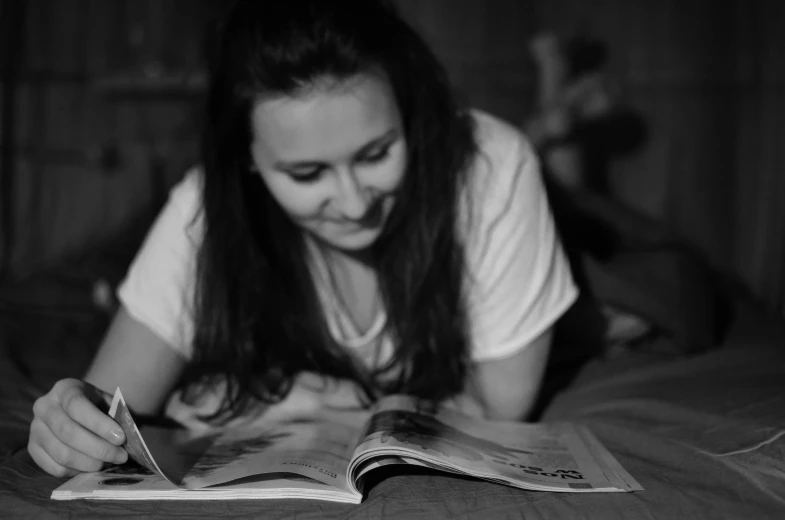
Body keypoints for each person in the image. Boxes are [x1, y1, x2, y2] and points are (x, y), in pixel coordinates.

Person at [28, 0, 578, 478]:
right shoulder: (208, 204)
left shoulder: (492, 167)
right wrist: (69, 416)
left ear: (408, 115)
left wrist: (301, 400)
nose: (356, 204)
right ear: (247, 159)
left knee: (592, 221)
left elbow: (500, 412)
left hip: (537, 213)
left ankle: (558, 114)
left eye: (376, 153)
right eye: (307, 174)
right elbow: (110, 407)